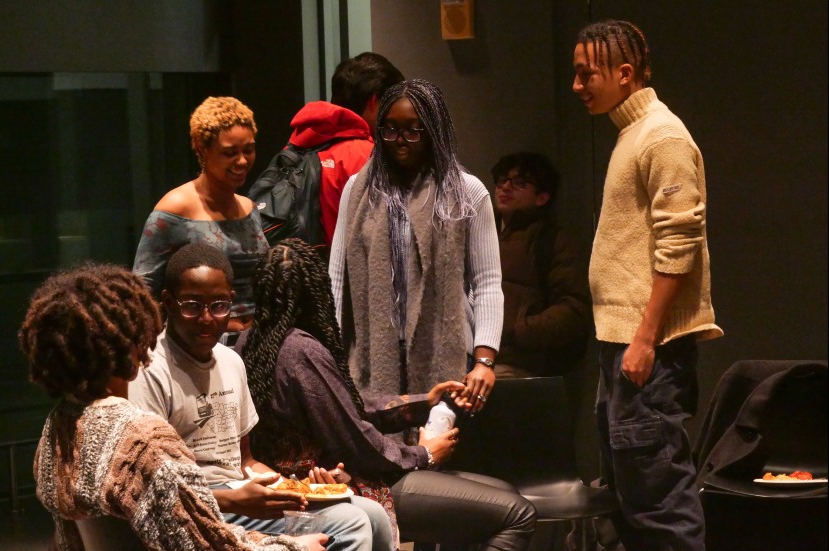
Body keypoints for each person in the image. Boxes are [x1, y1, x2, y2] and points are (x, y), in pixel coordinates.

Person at [241, 239, 536, 550]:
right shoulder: (301, 350)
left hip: (317, 478)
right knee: (517, 512)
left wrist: (420, 403)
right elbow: (355, 440)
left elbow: (346, 407)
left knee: (503, 493)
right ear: (315, 292)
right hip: (336, 483)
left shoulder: (249, 341)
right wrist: (424, 454)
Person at [22, 263, 326, 551]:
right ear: (133, 344)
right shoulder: (144, 440)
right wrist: (296, 546)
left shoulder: (57, 427)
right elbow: (205, 545)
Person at [128, 243, 391, 551]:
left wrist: (295, 487)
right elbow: (153, 486)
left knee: (372, 512)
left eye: (218, 306)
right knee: (351, 521)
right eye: (192, 306)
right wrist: (237, 500)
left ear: (231, 302)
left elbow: (245, 460)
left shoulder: (230, 362)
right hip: (198, 504)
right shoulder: (150, 369)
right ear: (168, 304)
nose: (206, 318)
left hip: (239, 490)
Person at [572, 20, 722, 551]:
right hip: (625, 347)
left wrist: (644, 338)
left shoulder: (662, 135)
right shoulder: (632, 134)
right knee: (631, 496)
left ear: (625, 73)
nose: (577, 85)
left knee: (659, 501)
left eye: (587, 73)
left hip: (648, 351)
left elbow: (679, 242)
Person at [329, 78, 501, 418]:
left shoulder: (468, 192)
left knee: (442, 454)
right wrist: (329, 350)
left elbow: (487, 282)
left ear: (434, 131)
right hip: (372, 350)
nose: (400, 142)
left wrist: (485, 360)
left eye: (413, 131)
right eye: (390, 130)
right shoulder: (358, 190)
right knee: (381, 453)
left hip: (450, 352)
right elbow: (337, 276)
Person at [133, 96, 267, 343]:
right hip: (200, 346)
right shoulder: (175, 208)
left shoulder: (248, 208)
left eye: (248, 150)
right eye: (229, 153)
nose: (242, 161)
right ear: (202, 148)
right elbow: (143, 294)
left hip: (257, 345)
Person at [285, 52, 404, 247]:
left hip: (301, 273)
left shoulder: (295, 145)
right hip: (346, 274)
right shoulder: (367, 156)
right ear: (374, 101)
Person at [490, 151, 592, 378]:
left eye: (519, 183)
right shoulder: (480, 232)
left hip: (519, 363)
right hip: (471, 359)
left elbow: (574, 310)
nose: (505, 187)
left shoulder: (553, 241)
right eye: (501, 180)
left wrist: (515, 331)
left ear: (542, 197)